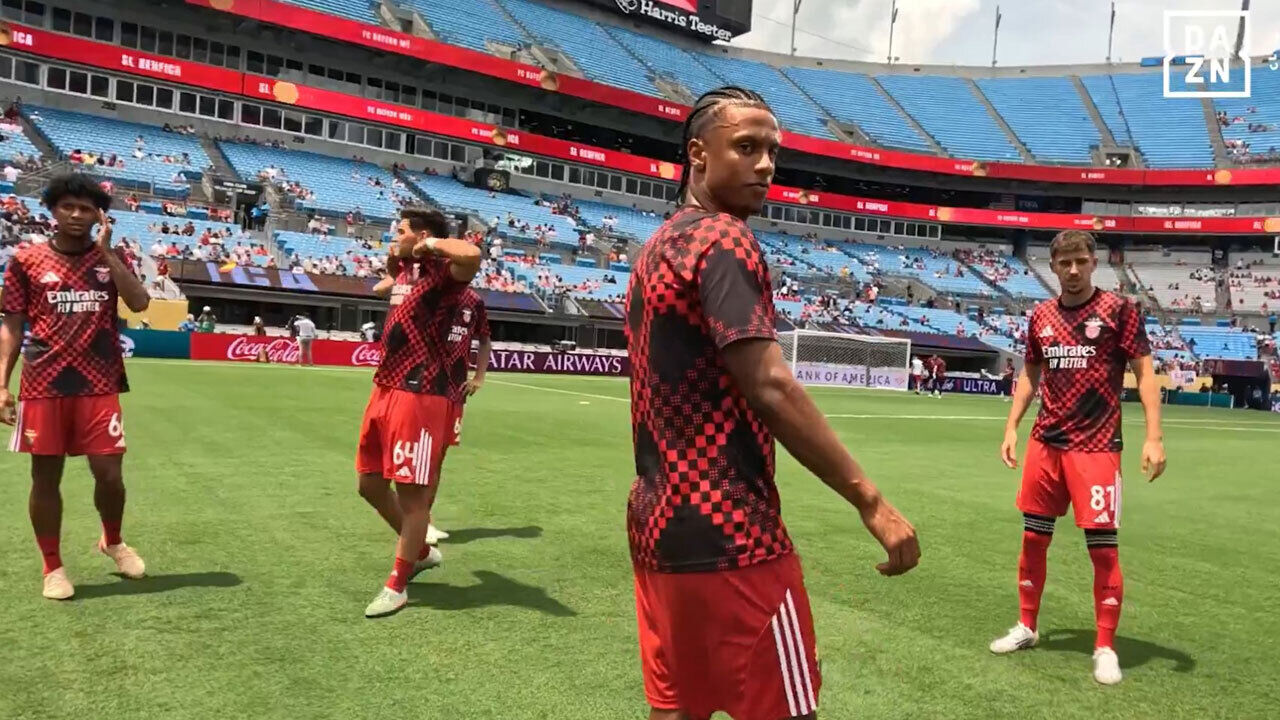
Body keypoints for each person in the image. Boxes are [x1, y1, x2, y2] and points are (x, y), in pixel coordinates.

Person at [625, 87, 918, 720]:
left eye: (773, 153)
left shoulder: (654, 247)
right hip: (732, 530)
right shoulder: (725, 240)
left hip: (657, 525)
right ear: (699, 154)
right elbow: (770, 384)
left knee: (676, 709)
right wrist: (870, 499)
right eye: (747, 148)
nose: (765, 166)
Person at [994, 230, 1166, 686]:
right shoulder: (1042, 316)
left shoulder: (1119, 312)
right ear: (1053, 267)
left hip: (1096, 448)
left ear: (1095, 263)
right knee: (1033, 540)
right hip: (1045, 444)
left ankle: (1105, 646)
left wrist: (1154, 437)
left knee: (1103, 551)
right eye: (1064, 263)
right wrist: (1012, 426)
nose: (1073, 270)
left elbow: (1145, 375)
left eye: (1081, 261)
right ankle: (1027, 626)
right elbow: (1030, 376)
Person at [0, 173, 151, 600]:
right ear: (52, 209)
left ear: (98, 215)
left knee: (109, 474)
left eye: (86, 208)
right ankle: (53, 568)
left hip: (99, 382)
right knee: (45, 476)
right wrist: (2, 386)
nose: (76, 215)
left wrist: (107, 253)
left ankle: (113, 541)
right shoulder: (26, 260)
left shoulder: (108, 257)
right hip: (44, 383)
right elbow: (11, 325)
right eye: (68, 206)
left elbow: (140, 303)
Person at [356, 208, 481, 619]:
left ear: (423, 236)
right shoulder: (406, 270)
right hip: (385, 386)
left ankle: (397, 583)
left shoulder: (443, 273)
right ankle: (422, 551)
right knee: (369, 485)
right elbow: (382, 287)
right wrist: (398, 259)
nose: (395, 234)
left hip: (421, 392)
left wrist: (425, 246)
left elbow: (471, 256)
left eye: (402, 230)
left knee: (414, 496)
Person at [421, 286, 491, 546]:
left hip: (455, 390)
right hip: (426, 388)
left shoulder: (474, 301)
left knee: (438, 458)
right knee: (424, 457)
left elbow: (485, 339)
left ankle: (424, 520)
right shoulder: (433, 291)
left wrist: (479, 377)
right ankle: (415, 520)